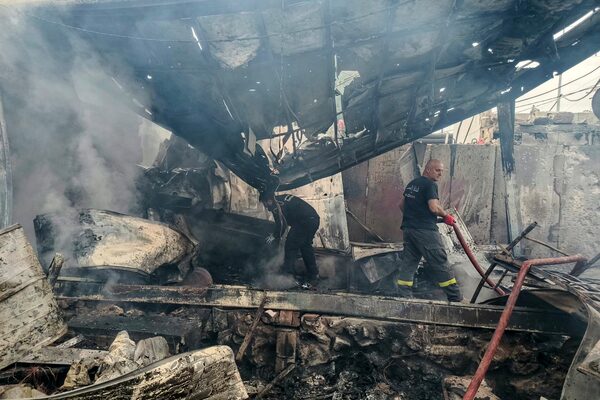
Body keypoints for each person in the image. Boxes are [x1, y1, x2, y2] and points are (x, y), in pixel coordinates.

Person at [396, 159, 462, 302]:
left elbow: (401, 205)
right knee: (440, 261)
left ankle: (404, 296)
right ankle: (455, 297)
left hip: (409, 229)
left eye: (442, 171)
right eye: (437, 170)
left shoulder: (413, 184)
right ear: (428, 169)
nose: (440, 174)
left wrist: (414, 217)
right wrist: (446, 216)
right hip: (425, 231)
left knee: (409, 262)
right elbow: (433, 207)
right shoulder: (430, 185)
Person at [259, 192, 321, 284]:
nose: (266, 207)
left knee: (290, 246)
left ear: (269, 200)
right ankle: (313, 275)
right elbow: (282, 224)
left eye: (265, 203)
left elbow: (282, 225)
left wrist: (274, 236)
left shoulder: (277, 206)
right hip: (314, 219)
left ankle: (287, 275)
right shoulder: (280, 199)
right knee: (305, 247)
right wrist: (277, 234)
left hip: (304, 221)